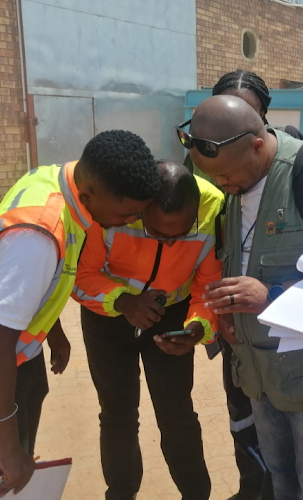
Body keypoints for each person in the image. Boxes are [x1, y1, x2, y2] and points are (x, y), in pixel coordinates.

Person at [0, 131, 160, 497]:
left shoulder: (55, 180)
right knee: (0, 482)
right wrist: (8, 448)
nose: (129, 221)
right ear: (90, 193)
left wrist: (53, 332)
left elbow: (30, 288)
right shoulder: (37, 237)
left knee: (18, 472)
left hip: (14, 359)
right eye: (124, 213)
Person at [181, 95, 303, 500]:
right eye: (214, 178)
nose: (222, 186)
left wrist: (271, 295)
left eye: (227, 175)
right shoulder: (236, 180)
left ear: (257, 144)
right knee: (281, 484)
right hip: (262, 378)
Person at [187, 69, 303, 500]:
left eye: (248, 114)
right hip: (232, 318)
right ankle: (250, 488)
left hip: (280, 323)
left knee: (284, 419)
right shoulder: (199, 163)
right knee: (242, 412)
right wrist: (214, 312)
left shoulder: (298, 164)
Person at [72, 161, 224, 500]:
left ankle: (197, 494)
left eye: (181, 234)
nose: (170, 244)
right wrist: (125, 302)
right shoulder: (117, 205)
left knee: (177, 415)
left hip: (171, 320)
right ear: (139, 210)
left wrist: (197, 328)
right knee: (117, 414)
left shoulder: (214, 209)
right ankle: (121, 493)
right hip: (108, 318)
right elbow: (81, 277)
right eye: (157, 233)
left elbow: (208, 286)